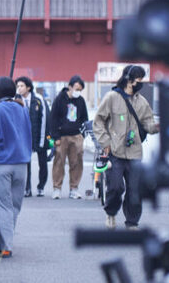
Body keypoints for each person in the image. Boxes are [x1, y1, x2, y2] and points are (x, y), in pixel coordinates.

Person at [93, 65, 159, 230]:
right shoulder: (111, 97)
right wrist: (105, 142)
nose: (141, 83)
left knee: (135, 189)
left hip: (135, 153)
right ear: (129, 80)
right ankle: (111, 213)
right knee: (115, 187)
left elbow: (148, 123)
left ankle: (132, 222)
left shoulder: (142, 102)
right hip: (114, 151)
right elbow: (98, 122)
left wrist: (157, 126)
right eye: (139, 80)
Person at [0, 77, 31, 257]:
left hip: (0, 165)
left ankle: (5, 246)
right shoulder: (22, 109)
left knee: (0, 206)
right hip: (21, 165)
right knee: (13, 207)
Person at [49, 75, 89, 199]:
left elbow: (85, 118)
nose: (78, 92)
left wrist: (82, 134)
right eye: (76, 89)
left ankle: (74, 188)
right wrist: (55, 137)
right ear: (70, 86)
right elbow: (53, 118)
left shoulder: (81, 101)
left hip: (76, 135)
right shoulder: (59, 99)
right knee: (59, 161)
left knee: (77, 162)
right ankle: (57, 188)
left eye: (80, 90)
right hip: (62, 135)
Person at [16, 76, 51, 197]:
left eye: (21, 86)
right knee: (26, 163)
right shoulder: (16, 100)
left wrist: (43, 139)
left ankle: (41, 186)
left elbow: (45, 119)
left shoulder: (39, 99)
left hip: (39, 135)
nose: (19, 89)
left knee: (43, 163)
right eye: (18, 86)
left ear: (28, 87)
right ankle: (27, 188)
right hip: (24, 138)